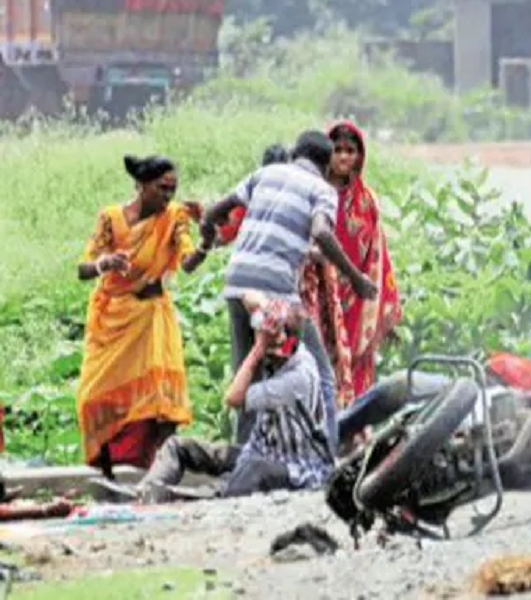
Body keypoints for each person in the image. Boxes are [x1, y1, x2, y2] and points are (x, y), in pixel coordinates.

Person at [199, 131, 378, 456]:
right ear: (325, 165)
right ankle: (328, 453)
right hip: (276, 291)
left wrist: (205, 237)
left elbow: (213, 212)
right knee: (323, 372)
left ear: (296, 154)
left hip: (237, 281)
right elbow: (321, 232)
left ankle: (242, 457)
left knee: (246, 371)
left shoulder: (265, 174)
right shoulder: (321, 189)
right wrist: (355, 278)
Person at [96, 294, 334, 503]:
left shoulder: (298, 377)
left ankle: (193, 496)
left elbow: (233, 398)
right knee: (179, 447)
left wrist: (258, 349)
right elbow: (248, 294)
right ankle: (147, 490)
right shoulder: (280, 347)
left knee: (252, 469)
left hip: (297, 466)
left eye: (272, 345)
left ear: (289, 343)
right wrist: (266, 310)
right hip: (262, 450)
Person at [76, 155, 212, 476]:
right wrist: (104, 264)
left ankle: (157, 469)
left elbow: (188, 261)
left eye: (173, 189)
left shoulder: (174, 218)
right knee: (93, 396)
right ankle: (108, 465)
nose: (168, 196)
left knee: (158, 401)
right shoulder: (111, 218)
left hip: (153, 320)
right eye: (162, 188)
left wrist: (207, 241)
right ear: (141, 185)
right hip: (114, 318)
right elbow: (83, 268)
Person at [324, 121, 403, 407]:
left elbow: (378, 256)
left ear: (360, 155)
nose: (344, 157)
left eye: (350, 150)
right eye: (338, 150)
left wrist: (385, 311)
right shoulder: (317, 194)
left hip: (357, 299)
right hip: (321, 292)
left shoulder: (366, 201)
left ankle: (355, 435)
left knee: (357, 369)